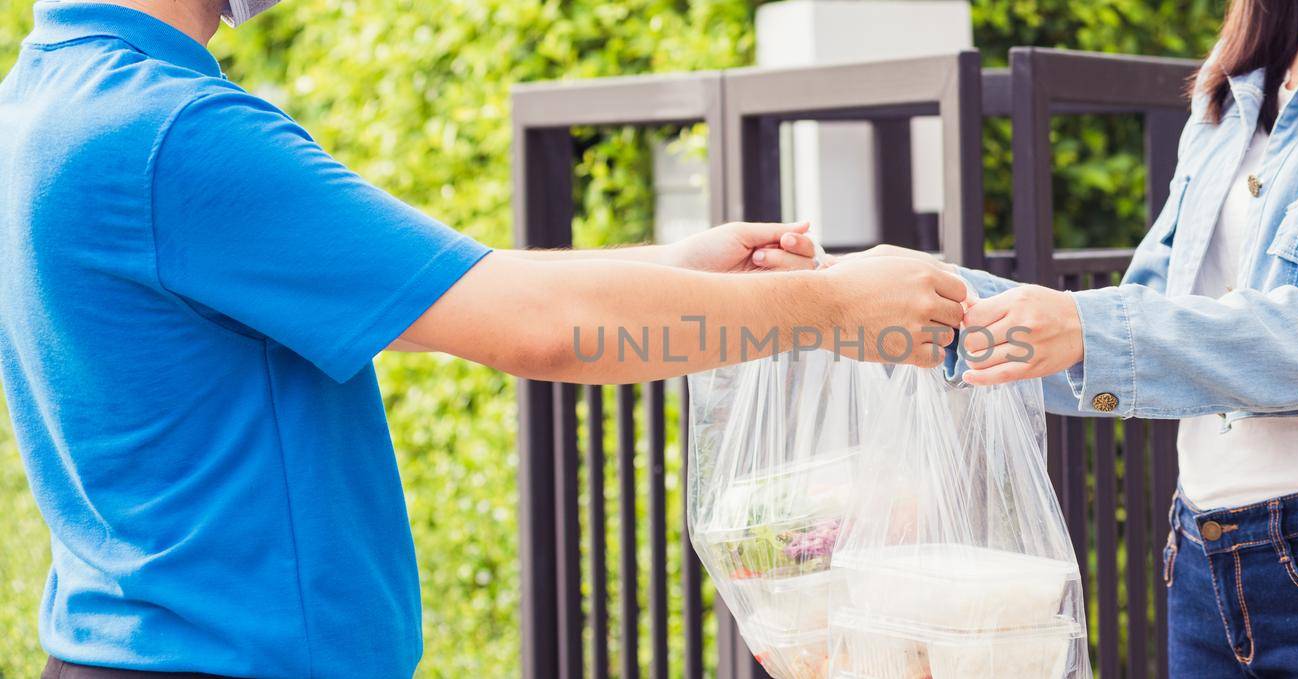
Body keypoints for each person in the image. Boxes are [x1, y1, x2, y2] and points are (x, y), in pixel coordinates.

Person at [0, 1, 967, 677]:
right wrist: (835, 307)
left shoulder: (50, 101)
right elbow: (534, 327)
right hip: (238, 661)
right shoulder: (177, 131)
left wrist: (675, 264)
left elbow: (428, 289)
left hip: (124, 645)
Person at [855, 0, 1298, 675]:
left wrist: (1088, 331)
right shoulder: (1243, 68)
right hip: (1202, 560)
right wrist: (908, 296)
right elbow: (1139, 323)